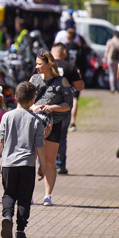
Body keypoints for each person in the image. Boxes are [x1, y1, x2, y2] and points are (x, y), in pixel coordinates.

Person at [0, 82, 45, 238]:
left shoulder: (7, 117)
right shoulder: (36, 120)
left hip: (9, 164)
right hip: (27, 165)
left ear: (15, 97)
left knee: (8, 193)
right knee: (24, 197)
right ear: (32, 100)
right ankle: (20, 231)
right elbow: (39, 145)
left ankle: (7, 216)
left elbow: (0, 140)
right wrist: (42, 165)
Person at [29, 50, 74, 206]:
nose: (37, 67)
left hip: (54, 125)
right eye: (36, 64)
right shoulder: (34, 79)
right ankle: (28, 194)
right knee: (31, 159)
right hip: (35, 125)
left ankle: (47, 195)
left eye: (40, 64)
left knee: (49, 161)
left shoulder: (62, 81)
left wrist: (53, 107)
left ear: (49, 65)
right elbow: (25, 101)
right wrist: (34, 107)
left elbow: (68, 105)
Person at [51, 42, 84, 175]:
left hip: (45, 108)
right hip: (63, 107)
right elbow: (79, 86)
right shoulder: (69, 67)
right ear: (64, 52)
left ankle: (43, 164)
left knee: (43, 137)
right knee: (61, 136)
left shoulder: (44, 66)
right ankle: (60, 165)